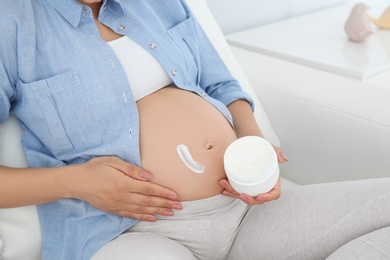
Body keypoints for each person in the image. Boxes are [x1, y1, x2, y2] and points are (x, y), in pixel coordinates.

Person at [0, 0, 389, 259]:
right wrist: (76, 182)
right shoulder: (12, 23)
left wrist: (251, 138)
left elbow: (223, 83)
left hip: (242, 209)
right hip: (133, 232)